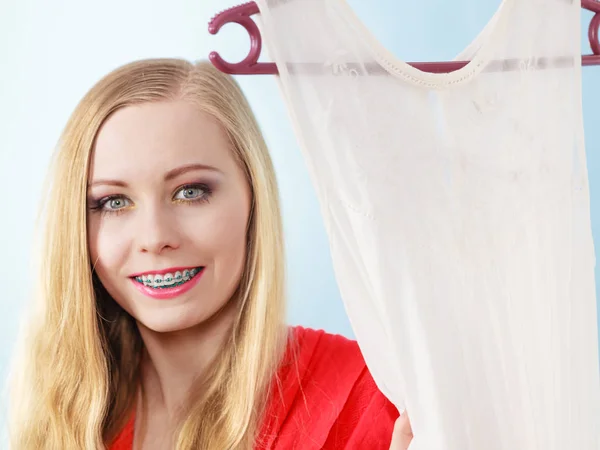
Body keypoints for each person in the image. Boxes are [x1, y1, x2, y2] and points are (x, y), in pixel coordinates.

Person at [8, 58, 413, 449]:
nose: (154, 237)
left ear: (253, 198)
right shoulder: (60, 414)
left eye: (190, 192)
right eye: (114, 201)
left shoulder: (385, 401)